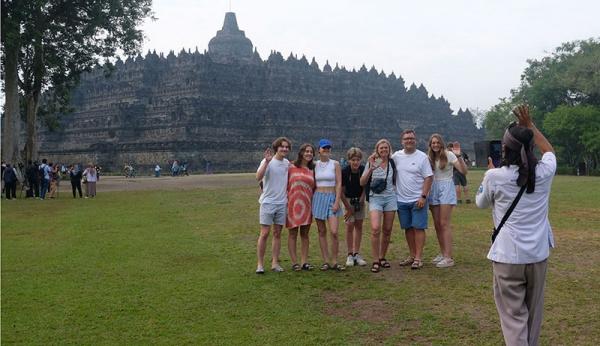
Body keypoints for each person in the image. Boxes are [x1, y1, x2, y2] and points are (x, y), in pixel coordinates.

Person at [476, 105, 556, 346]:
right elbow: (549, 150)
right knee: (533, 314)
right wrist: (530, 125)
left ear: (505, 150)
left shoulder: (495, 176)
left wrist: (490, 174)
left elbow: (481, 203)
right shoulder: (545, 172)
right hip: (538, 254)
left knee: (513, 317)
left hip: (508, 257)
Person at [391, 129, 433, 270]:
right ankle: (412, 255)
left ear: (415, 141)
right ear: (402, 141)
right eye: (406, 139)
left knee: (418, 228)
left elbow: (429, 177)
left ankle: (419, 258)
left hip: (417, 199)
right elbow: (382, 159)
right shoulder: (396, 156)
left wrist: (423, 196)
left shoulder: (422, 157)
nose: (409, 141)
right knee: (408, 228)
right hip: (401, 199)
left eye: (412, 139)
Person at [427, 134, 468, 268]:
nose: (435, 145)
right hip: (434, 188)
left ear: (441, 143)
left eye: (437, 142)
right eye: (433, 143)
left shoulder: (449, 155)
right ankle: (443, 252)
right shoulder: (429, 157)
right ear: (430, 145)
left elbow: (463, 171)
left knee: (444, 223)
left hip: (446, 187)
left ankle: (448, 257)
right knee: (437, 224)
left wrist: (459, 156)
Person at [360, 140, 398, 273]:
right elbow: (362, 182)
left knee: (387, 229)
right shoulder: (373, 162)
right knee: (375, 228)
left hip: (390, 198)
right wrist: (370, 168)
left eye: (386, 148)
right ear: (377, 149)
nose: (383, 150)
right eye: (381, 148)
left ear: (389, 149)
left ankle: (382, 257)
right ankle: (375, 260)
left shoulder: (393, 162)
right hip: (375, 198)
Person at [256, 137, 291, 274]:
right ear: (277, 148)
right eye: (282, 146)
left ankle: (275, 262)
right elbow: (258, 177)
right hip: (268, 203)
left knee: (277, 233)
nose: (284, 149)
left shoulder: (287, 163)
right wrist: (266, 162)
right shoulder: (267, 161)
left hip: (282, 203)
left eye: (287, 147)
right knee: (264, 233)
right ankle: (260, 264)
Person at [313, 139, 344, 271]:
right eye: (324, 148)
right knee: (321, 231)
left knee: (334, 231)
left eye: (328, 148)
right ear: (318, 150)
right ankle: (326, 261)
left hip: (332, 198)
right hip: (318, 197)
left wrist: (337, 201)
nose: (326, 150)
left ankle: (335, 260)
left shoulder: (335, 164)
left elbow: (338, 183)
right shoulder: (314, 165)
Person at [286, 143, 316, 271]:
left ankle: (304, 262)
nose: (308, 153)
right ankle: (294, 263)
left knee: (305, 234)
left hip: (307, 204)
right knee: (293, 233)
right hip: (293, 203)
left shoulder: (313, 169)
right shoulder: (291, 167)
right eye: (306, 151)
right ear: (301, 153)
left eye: (311, 152)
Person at [341, 147, 367, 268]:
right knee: (349, 225)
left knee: (359, 225)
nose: (355, 162)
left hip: (359, 200)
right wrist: (348, 208)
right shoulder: (345, 171)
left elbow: (365, 186)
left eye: (357, 160)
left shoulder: (363, 170)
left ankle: (357, 253)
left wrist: (362, 200)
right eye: (353, 160)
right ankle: (349, 254)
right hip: (347, 200)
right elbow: (341, 191)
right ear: (349, 160)